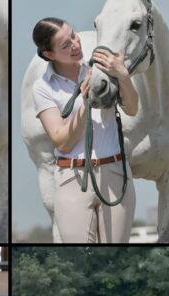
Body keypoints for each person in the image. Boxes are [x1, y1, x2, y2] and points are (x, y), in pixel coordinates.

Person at [32, 17, 137, 243]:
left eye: (73, 35)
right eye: (65, 45)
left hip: (115, 173)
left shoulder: (99, 70)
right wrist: (84, 100)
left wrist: (123, 75)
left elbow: (132, 108)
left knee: (115, 255)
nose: (75, 44)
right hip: (73, 179)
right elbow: (62, 141)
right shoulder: (43, 88)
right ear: (49, 55)